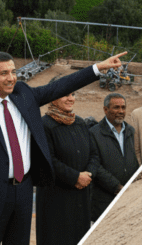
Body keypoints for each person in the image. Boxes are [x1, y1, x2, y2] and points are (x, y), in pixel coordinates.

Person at [0, 51, 124, 245]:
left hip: (23, 192)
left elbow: (62, 85)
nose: (11, 78)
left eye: (13, 72)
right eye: (4, 73)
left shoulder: (23, 94)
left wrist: (98, 68)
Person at [36, 87, 97, 245]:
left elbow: (94, 154)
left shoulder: (80, 123)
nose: (70, 98)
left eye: (73, 94)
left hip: (80, 197)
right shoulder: (44, 125)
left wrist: (88, 175)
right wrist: (75, 177)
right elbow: (48, 160)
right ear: (53, 98)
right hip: (56, 199)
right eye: (65, 95)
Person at [89, 93, 139, 221]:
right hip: (104, 201)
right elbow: (95, 166)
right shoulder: (94, 133)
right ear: (105, 109)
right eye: (116, 107)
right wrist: (116, 186)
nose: (121, 111)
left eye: (123, 107)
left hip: (130, 197)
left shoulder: (131, 132)